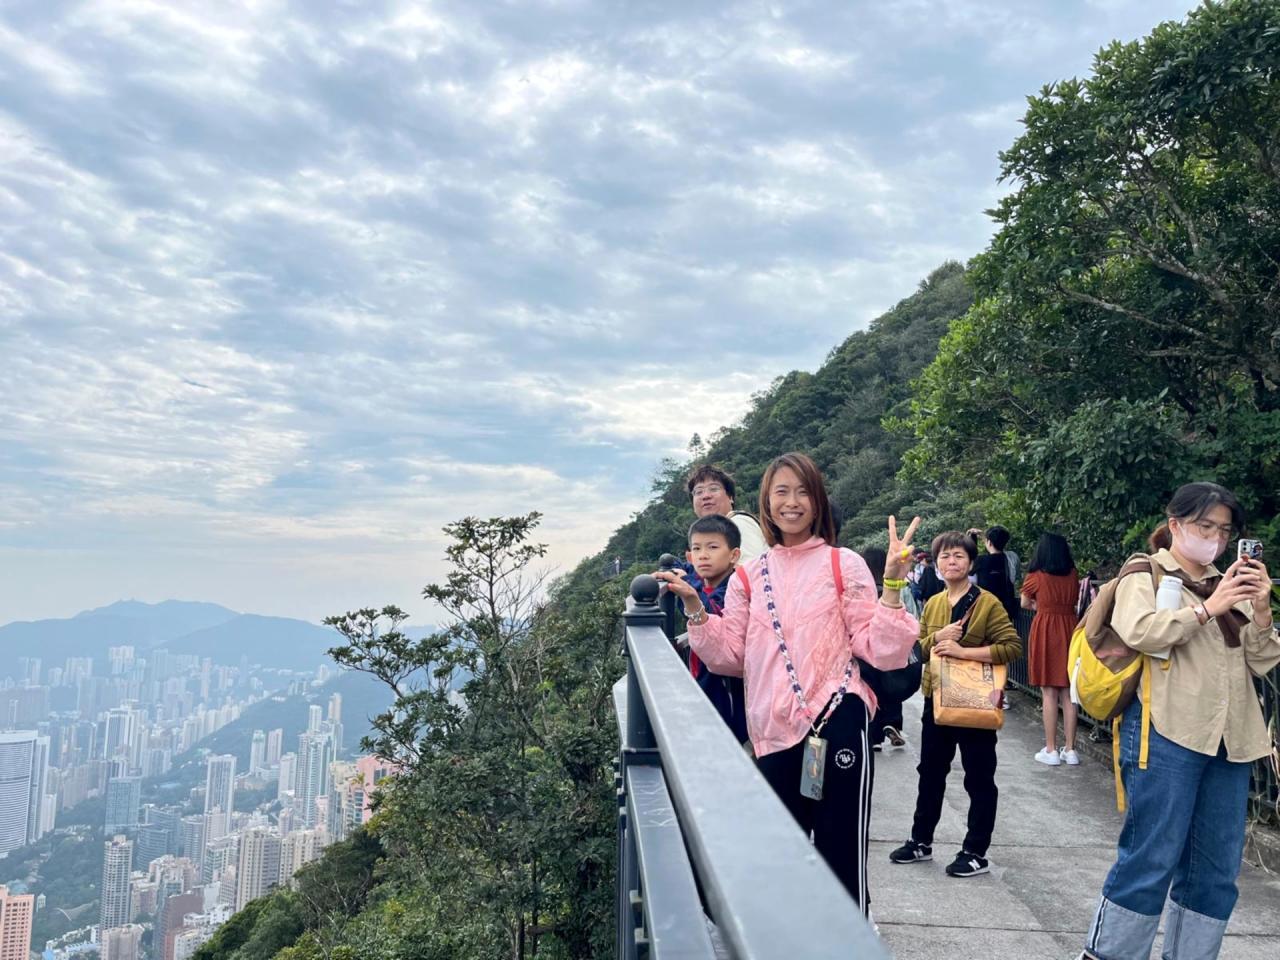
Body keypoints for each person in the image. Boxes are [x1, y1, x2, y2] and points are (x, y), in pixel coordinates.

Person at [658, 451, 920, 915]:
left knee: (841, 857)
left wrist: (894, 587)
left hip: (838, 718)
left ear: (817, 501)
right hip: (773, 727)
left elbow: (879, 648)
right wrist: (695, 607)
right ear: (767, 501)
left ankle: (848, 941)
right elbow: (732, 656)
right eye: (781, 491)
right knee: (780, 858)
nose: (792, 502)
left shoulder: (844, 564)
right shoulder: (749, 576)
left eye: (802, 492)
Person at [1083, 482, 1279, 960]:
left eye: (1224, 530)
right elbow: (1141, 632)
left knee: (1216, 872)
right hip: (1165, 731)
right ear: (1175, 524)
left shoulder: (1228, 582)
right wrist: (1208, 608)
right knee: (1150, 858)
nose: (1215, 537)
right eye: (1205, 526)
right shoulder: (1144, 573)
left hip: (1230, 740)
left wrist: (1260, 609)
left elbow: (1261, 661)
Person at [890, 530, 1022, 878]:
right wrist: (939, 637)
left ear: (971, 562)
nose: (952, 561)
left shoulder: (987, 603)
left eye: (959, 556)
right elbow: (917, 649)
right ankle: (921, 841)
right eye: (945, 556)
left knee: (979, 777)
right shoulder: (934, 603)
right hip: (936, 699)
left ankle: (975, 851)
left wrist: (963, 651)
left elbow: (1012, 647)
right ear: (936, 565)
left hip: (974, 700)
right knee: (930, 773)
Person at [679, 514, 748, 743]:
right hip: (707, 687)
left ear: (734, 555)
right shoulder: (702, 585)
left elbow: (712, 612)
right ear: (690, 556)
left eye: (713, 547)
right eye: (697, 548)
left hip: (729, 693)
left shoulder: (736, 588)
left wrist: (688, 591)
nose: (703, 555)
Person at [1020, 533, 1080, 766]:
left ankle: (1051, 749)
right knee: (1069, 692)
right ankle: (1071, 749)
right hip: (1070, 628)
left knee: (1049, 692)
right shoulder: (1073, 575)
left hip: (1045, 628)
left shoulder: (1036, 577)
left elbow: (1024, 602)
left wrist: (1040, 604)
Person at [862, 546, 908, 753]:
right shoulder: (892, 587)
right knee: (892, 685)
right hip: (891, 648)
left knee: (871, 688)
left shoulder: (863, 589)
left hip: (869, 650)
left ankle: (874, 737)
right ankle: (893, 723)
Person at [686, 464, 767, 560]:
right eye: (699, 492)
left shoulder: (738, 523)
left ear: (730, 497)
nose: (706, 496)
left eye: (713, 489)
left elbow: (752, 565)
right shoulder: (708, 535)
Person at [973, 525, 1019, 621]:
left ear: (989, 542)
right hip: (1006, 610)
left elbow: (969, 565)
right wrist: (986, 538)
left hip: (986, 609)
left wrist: (973, 540)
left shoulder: (980, 561)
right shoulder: (1011, 559)